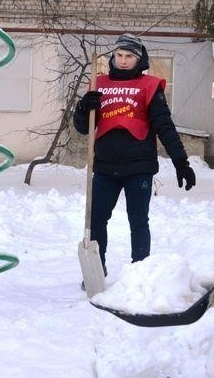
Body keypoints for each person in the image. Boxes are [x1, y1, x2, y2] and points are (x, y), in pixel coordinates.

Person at [73, 34, 195, 279]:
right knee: (96, 220)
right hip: (105, 168)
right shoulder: (98, 85)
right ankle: (97, 270)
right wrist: (84, 107)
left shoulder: (149, 86)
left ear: (139, 59)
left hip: (139, 169)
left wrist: (181, 162)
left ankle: (140, 274)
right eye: (119, 55)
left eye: (129, 56)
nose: (123, 61)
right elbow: (82, 128)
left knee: (138, 221)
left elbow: (165, 127)